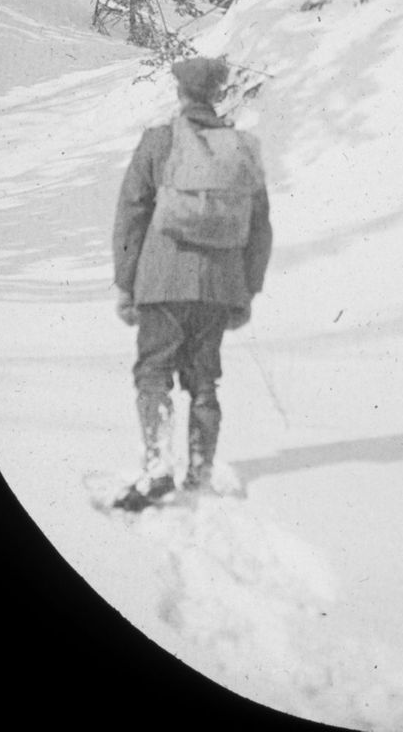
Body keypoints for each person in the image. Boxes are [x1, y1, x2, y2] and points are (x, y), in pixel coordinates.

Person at [111, 55, 272, 511]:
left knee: (153, 373)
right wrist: (247, 290)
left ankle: (158, 465)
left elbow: (132, 213)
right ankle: (198, 472)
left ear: (181, 94)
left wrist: (126, 283)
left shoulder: (159, 142)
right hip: (219, 286)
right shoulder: (241, 149)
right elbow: (259, 227)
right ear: (218, 94)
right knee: (204, 384)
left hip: (161, 281)